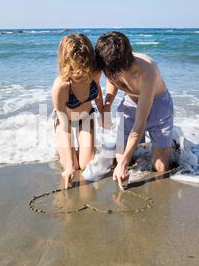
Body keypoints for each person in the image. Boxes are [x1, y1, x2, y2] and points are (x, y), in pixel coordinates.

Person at [95, 31, 174, 191]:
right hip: (130, 103)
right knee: (121, 159)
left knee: (160, 168)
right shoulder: (111, 62)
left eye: (109, 71)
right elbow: (111, 80)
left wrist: (123, 163)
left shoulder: (147, 72)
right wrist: (107, 105)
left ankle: (172, 144)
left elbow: (139, 125)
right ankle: (131, 154)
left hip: (158, 107)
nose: (107, 75)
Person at [51, 34, 104, 189]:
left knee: (85, 165)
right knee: (72, 166)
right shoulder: (61, 86)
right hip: (64, 123)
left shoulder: (94, 74)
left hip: (86, 118)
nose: (78, 72)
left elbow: (98, 92)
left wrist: (103, 111)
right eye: (73, 67)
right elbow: (65, 127)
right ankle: (64, 153)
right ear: (64, 63)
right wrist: (68, 167)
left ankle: (81, 148)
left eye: (83, 66)